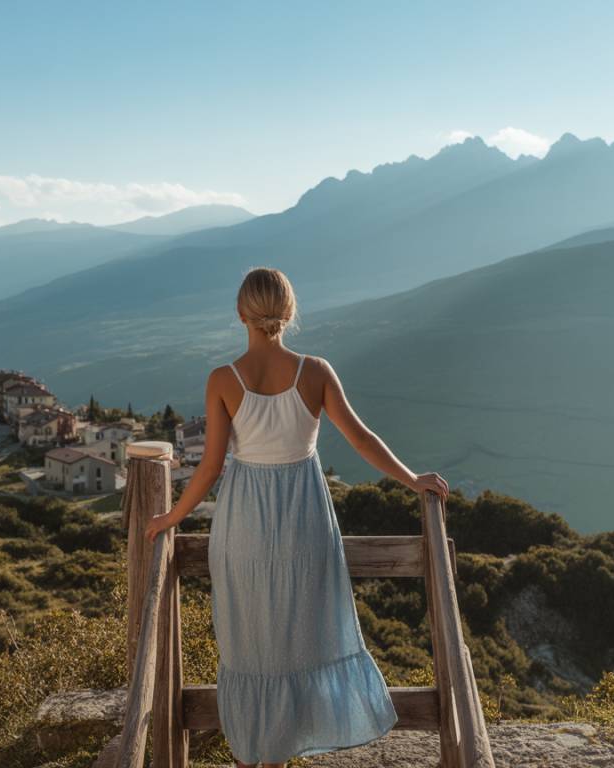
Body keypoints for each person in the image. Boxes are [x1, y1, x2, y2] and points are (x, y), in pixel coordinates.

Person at [144, 267, 450, 767]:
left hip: (243, 525)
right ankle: (284, 753)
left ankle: (253, 753)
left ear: (241, 314)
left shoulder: (223, 379)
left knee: (250, 649)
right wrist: (412, 479)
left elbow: (212, 465)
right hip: (305, 522)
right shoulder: (316, 372)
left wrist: (171, 517)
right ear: (289, 312)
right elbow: (362, 439)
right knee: (302, 643)